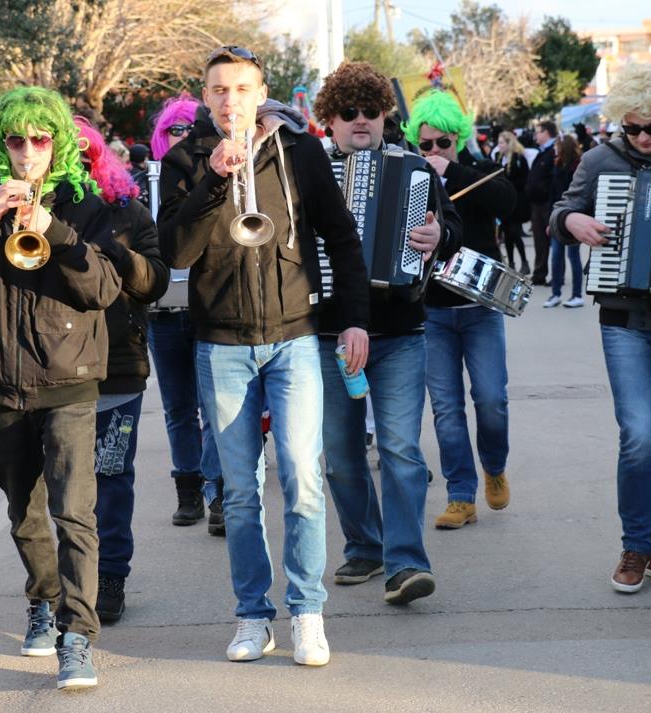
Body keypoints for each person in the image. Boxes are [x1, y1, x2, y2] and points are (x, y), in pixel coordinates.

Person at [158, 46, 370, 666]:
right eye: (219, 90)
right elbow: (176, 250)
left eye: (242, 89)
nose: (231, 101)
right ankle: (254, 615)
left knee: (304, 479)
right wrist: (214, 181)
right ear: (206, 97)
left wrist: (354, 319)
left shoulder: (300, 152)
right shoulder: (183, 160)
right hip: (221, 343)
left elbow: (342, 238)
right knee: (241, 492)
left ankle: (307, 611)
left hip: (295, 336)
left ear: (261, 92)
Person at [0, 86, 122, 689]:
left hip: (69, 381)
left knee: (75, 512)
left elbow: (104, 289)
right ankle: (42, 600)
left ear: (57, 140)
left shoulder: (86, 200)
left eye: (41, 139)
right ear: (1, 143)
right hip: (4, 381)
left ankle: (78, 636)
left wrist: (56, 233)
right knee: (25, 512)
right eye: (17, 140)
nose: (29, 152)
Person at [550, 63, 651, 596]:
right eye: (633, 128)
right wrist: (572, 222)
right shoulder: (601, 160)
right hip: (624, 318)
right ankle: (635, 545)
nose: (643, 138)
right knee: (641, 437)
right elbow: (561, 212)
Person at [311, 62, 461, 604]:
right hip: (327, 330)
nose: (359, 122)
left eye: (370, 112)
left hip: (398, 328)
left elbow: (453, 227)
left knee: (400, 448)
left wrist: (437, 233)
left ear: (383, 117)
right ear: (328, 118)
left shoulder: (414, 168)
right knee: (341, 451)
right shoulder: (308, 169)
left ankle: (405, 564)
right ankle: (364, 546)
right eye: (347, 112)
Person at [400, 91, 515, 530]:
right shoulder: (412, 176)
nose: (433, 152)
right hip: (433, 311)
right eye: (425, 145)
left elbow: (508, 202)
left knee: (491, 399)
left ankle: (495, 464)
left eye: (442, 143)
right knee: (446, 408)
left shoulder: (481, 171)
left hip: (480, 307)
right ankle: (460, 494)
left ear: (459, 139)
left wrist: (455, 170)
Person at [75, 116, 169, 623]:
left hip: (117, 367)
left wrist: (113, 247)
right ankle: (70, 576)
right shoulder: (33, 210)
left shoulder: (127, 211)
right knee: (62, 481)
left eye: (85, 158)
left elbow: (154, 280)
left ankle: (111, 575)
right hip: (51, 372)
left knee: (110, 476)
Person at [146, 94, 225, 533]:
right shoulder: (141, 182)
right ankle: (188, 488)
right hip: (162, 311)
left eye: (186, 130)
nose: (181, 138)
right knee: (178, 407)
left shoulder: (205, 172)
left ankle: (216, 490)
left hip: (207, 303)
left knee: (215, 405)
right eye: (173, 131)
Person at [543, 135, 584, 309]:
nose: (554, 149)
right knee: (556, 256)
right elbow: (552, 196)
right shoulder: (557, 165)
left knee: (573, 256)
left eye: (557, 146)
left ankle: (577, 295)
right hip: (557, 216)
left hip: (573, 216)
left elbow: (580, 195)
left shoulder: (578, 167)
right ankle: (555, 294)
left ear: (563, 147)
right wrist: (549, 221)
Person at [526, 120, 557, 286]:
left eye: (538, 132)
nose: (535, 136)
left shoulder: (554, 152)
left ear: (546, 133)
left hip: (547, 203)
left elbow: (554, 179)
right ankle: (539, 273)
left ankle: (556, 276)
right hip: (537, 204)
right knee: (539, 240)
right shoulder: (542, 152)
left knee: (554, 242)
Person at [495, 130, 530, 274]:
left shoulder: (519, 158)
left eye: (502, 143)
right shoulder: (498, 157)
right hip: (503, 201)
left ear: (509, 143)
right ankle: (511, 263)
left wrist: (508, 184)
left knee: (514, 232)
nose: (499, 146)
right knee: (507, 234)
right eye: (498, 143)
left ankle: (524, 261)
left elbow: (524, 179)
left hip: (517, 202)